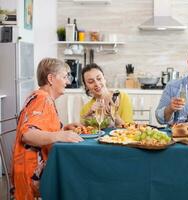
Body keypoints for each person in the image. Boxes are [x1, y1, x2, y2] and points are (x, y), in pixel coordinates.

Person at [12, 58, 84, 200]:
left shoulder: (41, 96)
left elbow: (43, 128)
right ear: (50, 78)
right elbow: (27, 134)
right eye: (64, 77)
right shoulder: (42, 99)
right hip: (32, 177)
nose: (68, 82)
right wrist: (59, 136)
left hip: (28, 170)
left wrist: (63, 129)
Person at [80, 63, 133, 129]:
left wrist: (113, 113)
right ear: (86, 86)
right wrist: (88, 115)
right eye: (91, 82)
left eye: (99, 78)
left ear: (104, 79)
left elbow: (129, 129)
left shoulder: (122, 97)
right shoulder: (86, 108)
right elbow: (84, 132)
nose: (97, 84)